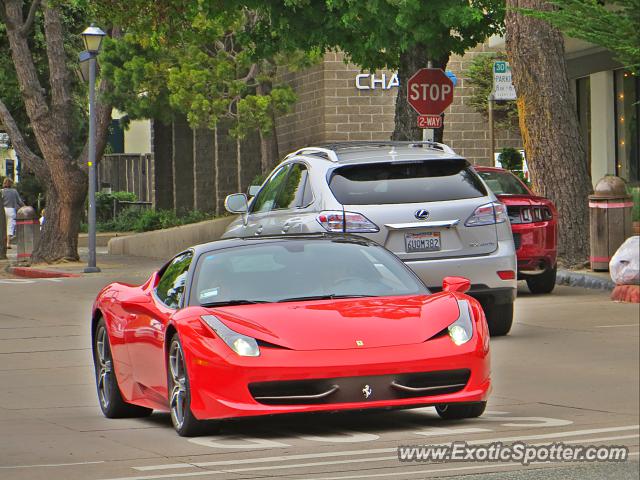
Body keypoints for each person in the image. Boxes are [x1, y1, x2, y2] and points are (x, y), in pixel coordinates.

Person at [1, 178, 25, 248]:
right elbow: (19, 201)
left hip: (3, 211)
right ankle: (8, 243)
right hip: (11, 210)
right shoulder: (14, 191)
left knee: (2, 227)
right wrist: (25, 206)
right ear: (11, 184)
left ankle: (2, 244)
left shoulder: (1, 191)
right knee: (10, 227)